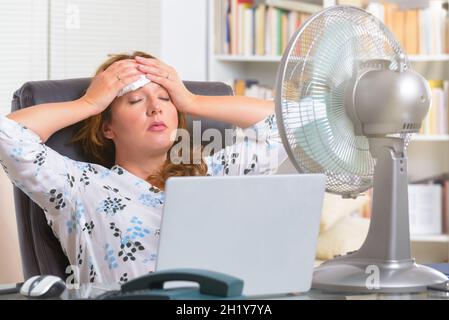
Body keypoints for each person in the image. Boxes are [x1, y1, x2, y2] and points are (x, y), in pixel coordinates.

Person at [0, 51, 287, 284]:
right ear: (107, 128)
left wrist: (191, 100)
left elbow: (290, 127)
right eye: (136, 100)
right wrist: (89, 103)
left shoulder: (210, 173)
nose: (155, 108)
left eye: (165, 98)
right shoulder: (78, 186)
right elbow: (7, 135)